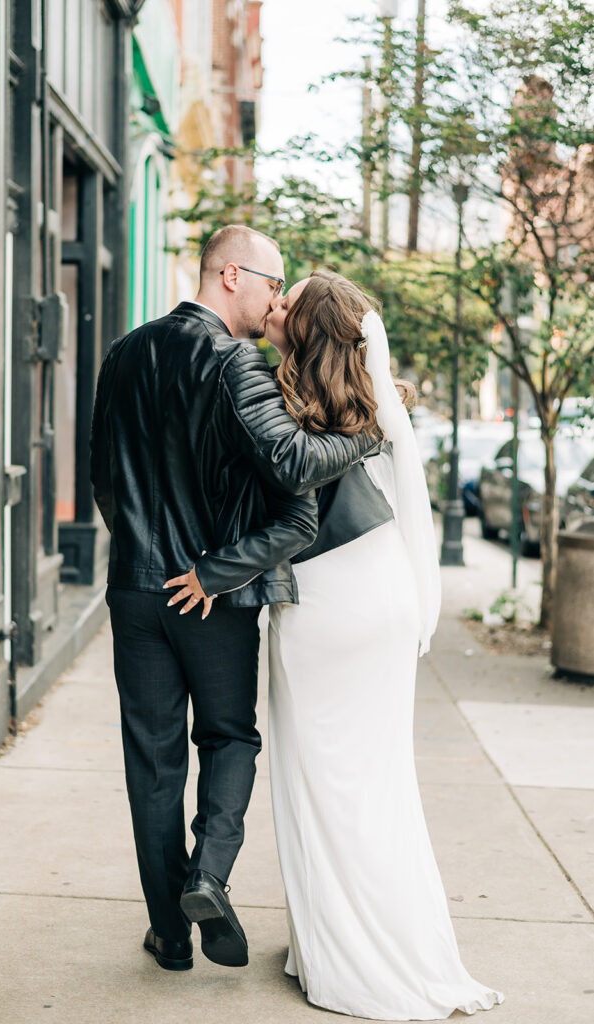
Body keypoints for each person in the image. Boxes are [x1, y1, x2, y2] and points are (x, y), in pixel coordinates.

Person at [171, 270, 504, 1018]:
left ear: (311, 328)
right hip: (381, 589)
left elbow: (294, 523)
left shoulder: (290, 408)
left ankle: (353, 959)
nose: (274, 304)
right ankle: (370, 942)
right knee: (374, 781)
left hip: (329, 605)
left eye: (288, 301)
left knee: (326, 784)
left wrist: (212, 574)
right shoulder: (360, 409)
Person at [89, 228, 382, 974]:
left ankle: (169, 934)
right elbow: (290, 469)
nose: (276, 300)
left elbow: (101, 478)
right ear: (229, 274)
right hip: (212, 594)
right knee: (227, 739)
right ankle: (208, 877)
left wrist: (137, 553)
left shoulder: (120, 354)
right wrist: (372, 429)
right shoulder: (234, 365)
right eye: (271, 282)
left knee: (150, 763)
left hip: (133, 589)